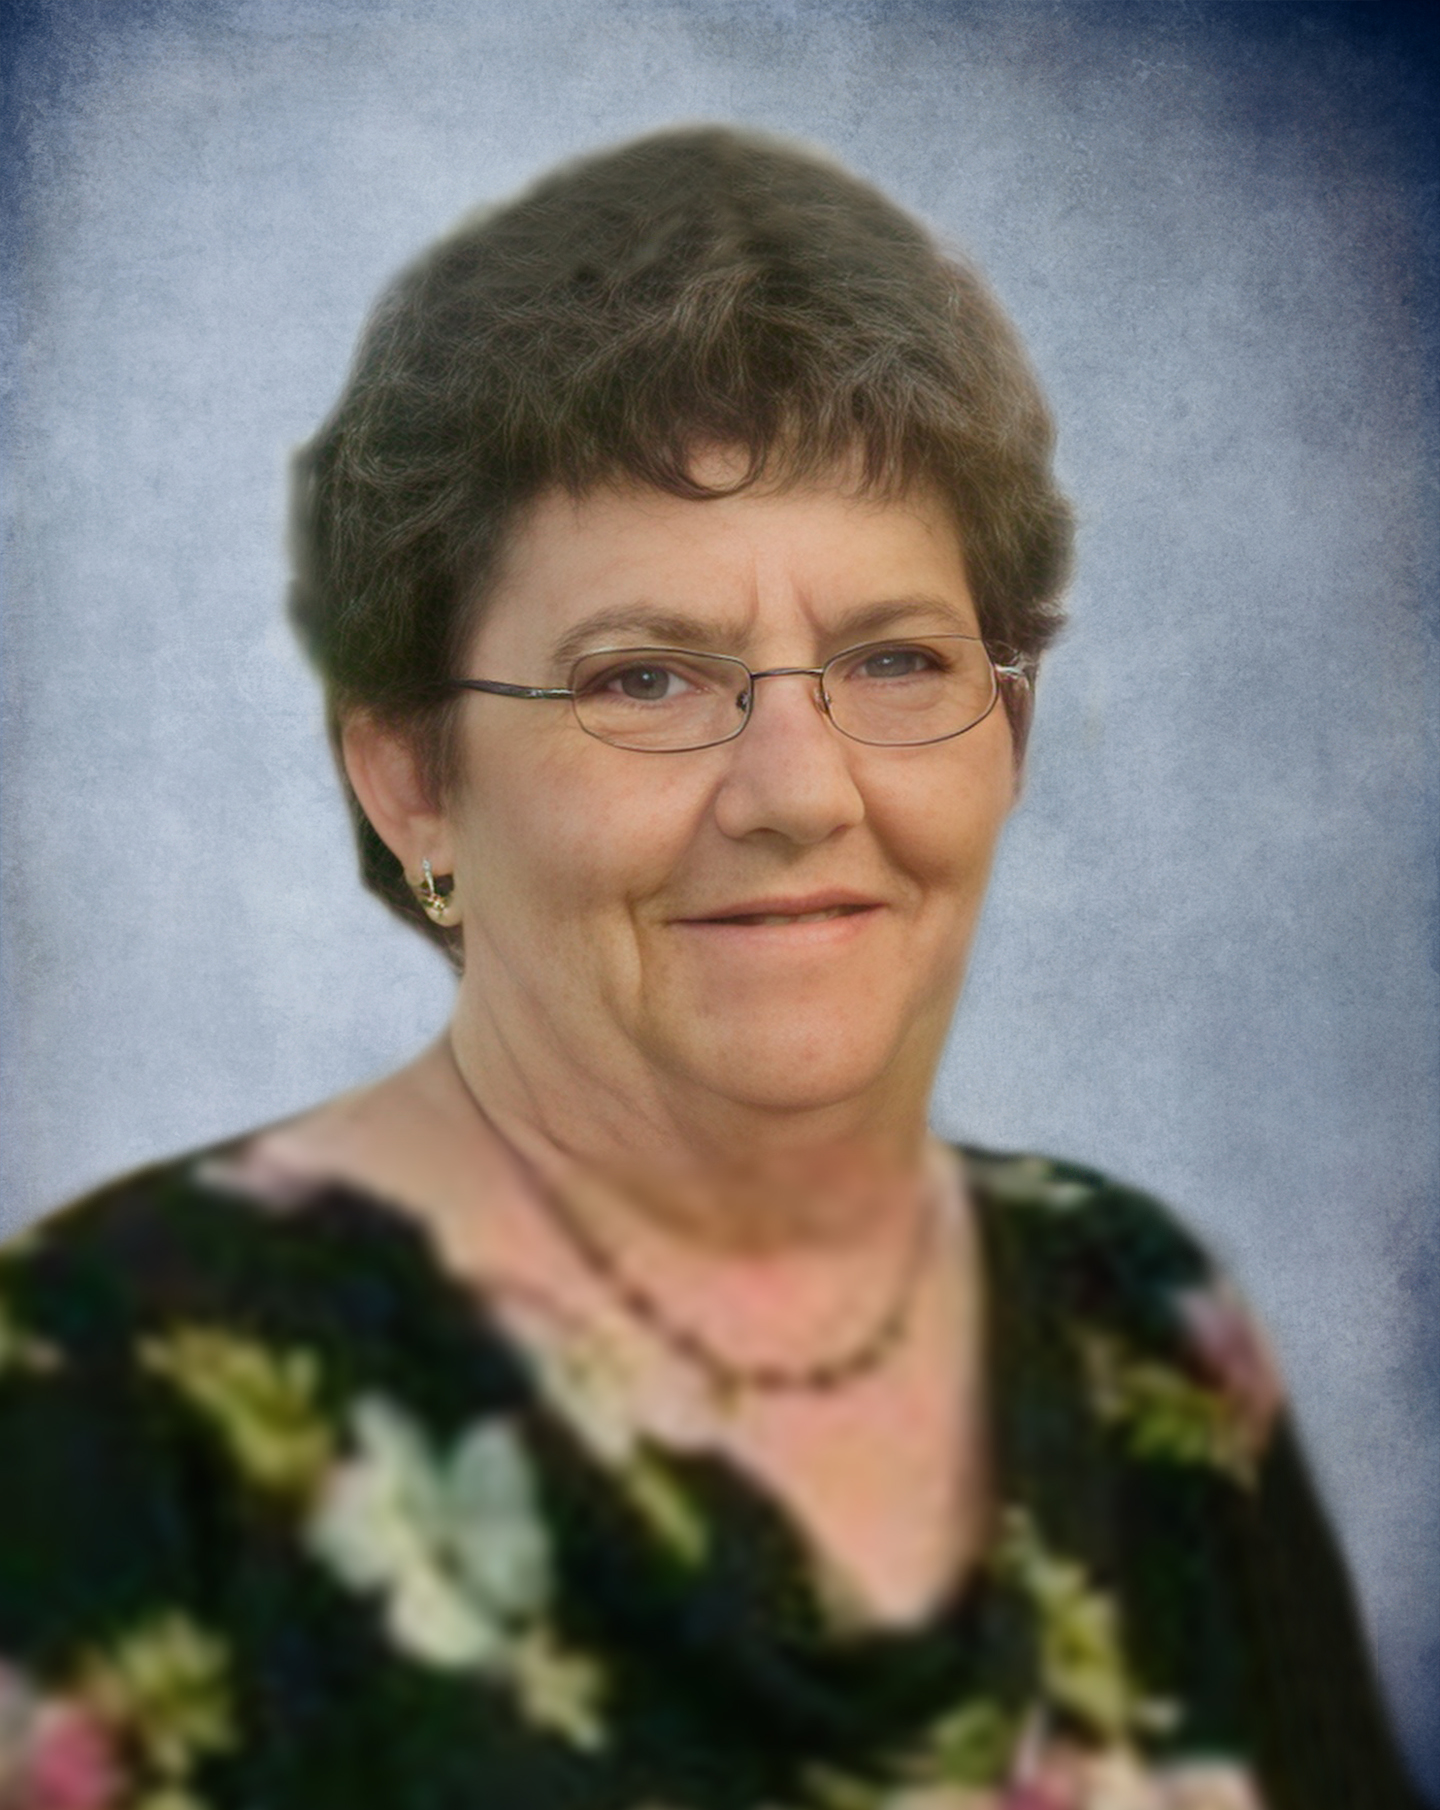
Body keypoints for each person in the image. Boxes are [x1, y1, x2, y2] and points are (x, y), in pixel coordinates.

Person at [0, 125, 1424, 1810]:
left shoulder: (1143, 1319)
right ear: (411, 780)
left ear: (1011, 728)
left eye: (895, 660)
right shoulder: (102, 1399)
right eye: (645, 679)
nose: (801, 793)